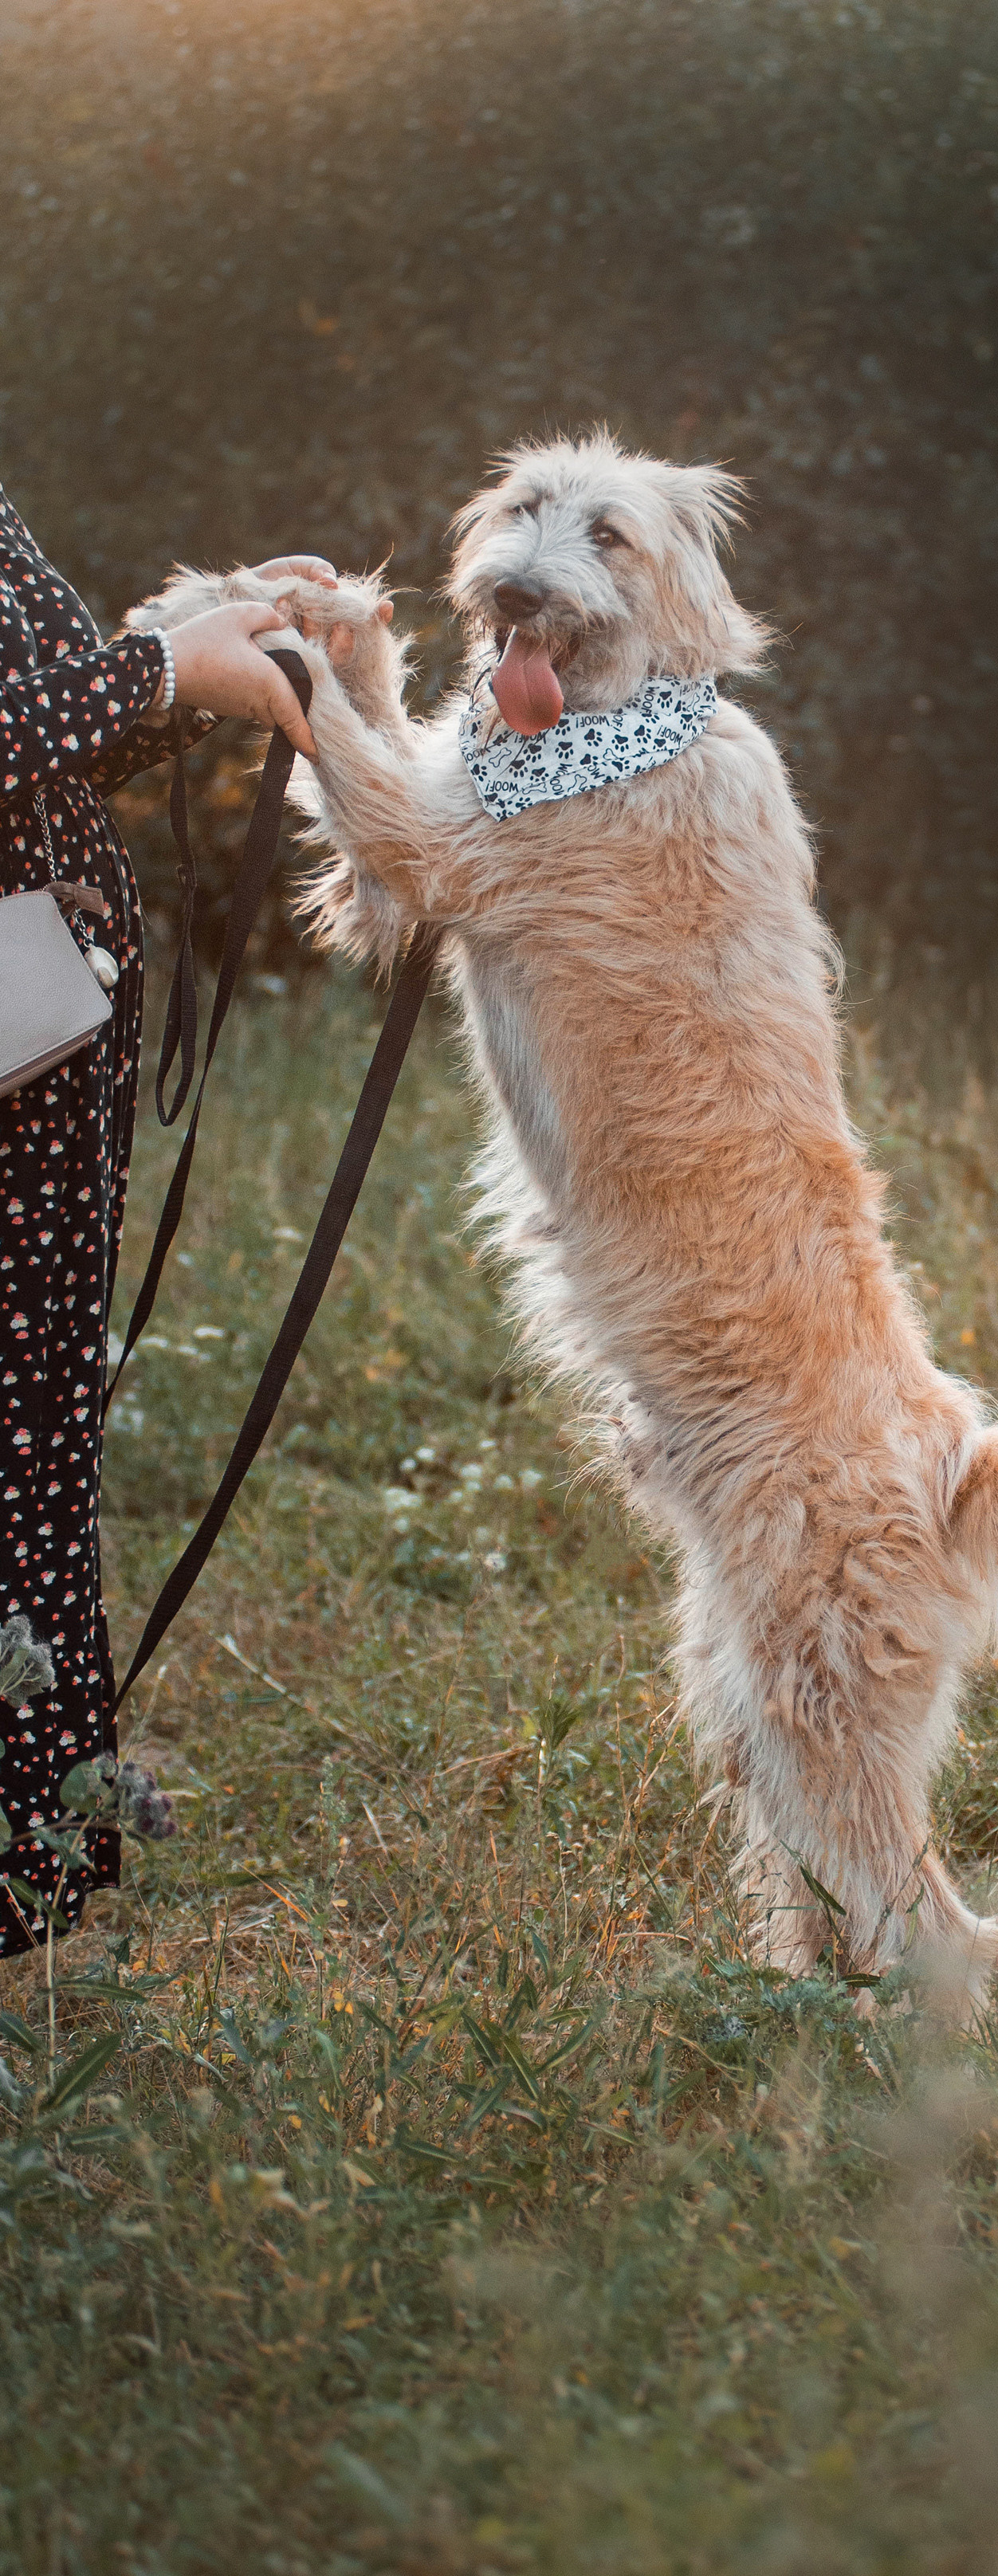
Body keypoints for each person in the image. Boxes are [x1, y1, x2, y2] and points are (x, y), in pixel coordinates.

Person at [0, 484, 335, 1955]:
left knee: (28, 1444)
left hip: (39, 1087)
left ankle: (27, 1853)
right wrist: (158, 668)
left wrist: (200, 643)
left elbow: (43, 725)